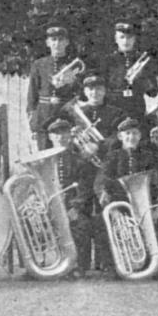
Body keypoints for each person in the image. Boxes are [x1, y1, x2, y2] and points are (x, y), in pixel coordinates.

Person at [93, 118, 158, 271]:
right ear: (120, 137)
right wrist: (112, 209)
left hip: (148, 206)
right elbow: (101, 183)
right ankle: (114, 267)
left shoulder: (149, 156)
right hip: (121, 206)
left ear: (140, 136)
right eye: (127, 133)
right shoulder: (112, 157)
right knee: (101, 222)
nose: (131, 137)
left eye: (135, 133)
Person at [44, 118, 105, 278]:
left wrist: (75, 208)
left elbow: (85, 189)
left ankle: (79, 267)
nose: (61, 138)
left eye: (64, 134)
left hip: (72, 208)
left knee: (81, 225)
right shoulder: (42, 160)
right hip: (48, 207)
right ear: (51, 137)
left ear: (70, 137)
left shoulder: (81, 161)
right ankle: (40, 265)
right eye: (56, 134)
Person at [27, 26, 82, 150]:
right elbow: (32, 95)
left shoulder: (72, 64)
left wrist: (73, 82)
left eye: (61, 40)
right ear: (48, 43)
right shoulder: (39, 64)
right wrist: (33, 122)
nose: (57, 43)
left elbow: (79, 94)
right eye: (54, 40)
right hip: (44, 114)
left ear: (67, 42)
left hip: (64, 113)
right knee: (44, 151)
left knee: (66, 151)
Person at [95, 21, 158, 129]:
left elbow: (153, 92)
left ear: (134, 39)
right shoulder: (108, 60)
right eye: (122, 37)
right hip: (114, 106)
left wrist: (142, 78)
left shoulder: (143, 60)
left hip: (136, 106)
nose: (125, 41)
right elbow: (101, 88)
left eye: (129, 37)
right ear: (116, 39)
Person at [61, 72, 125, 160]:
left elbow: (117, 136)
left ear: (104, 91)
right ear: (85, 92)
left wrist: (97, 146)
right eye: (90, 89)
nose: (94, 92)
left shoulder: (116, 112)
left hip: (107, 156)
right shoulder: (76, 111)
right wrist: (72, 133)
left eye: (99, 89)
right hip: (80, 157)